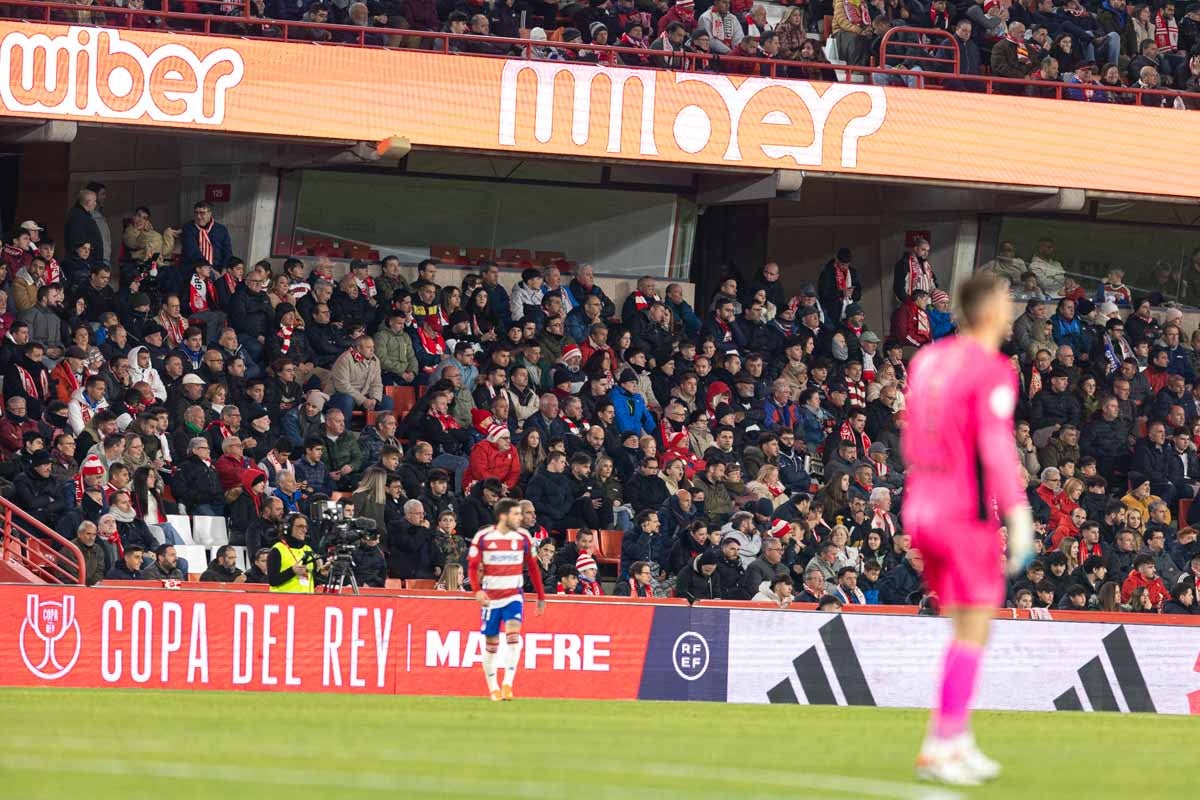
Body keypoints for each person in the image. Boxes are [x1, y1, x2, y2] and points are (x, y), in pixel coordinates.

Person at [902, 273, 1034, 785]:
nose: (1010, 312)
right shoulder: (993, 368)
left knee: (961, 626)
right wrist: (1018, 514)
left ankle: (955, 739)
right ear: (989, 311)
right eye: (1006, 304)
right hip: (964, 513)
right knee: (975, 627)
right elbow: (995, 445)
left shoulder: (928, 359)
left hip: (921, 506)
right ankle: (943, 741)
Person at [467, 498, 546, 701]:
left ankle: (508, 684)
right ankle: (493, 687)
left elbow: (533, 566)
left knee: (513, 637)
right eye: (516, 514)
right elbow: (473, 566)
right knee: (491, 643)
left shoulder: (523, 537)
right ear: (503, 516)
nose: (520, 518)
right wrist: (477, 590)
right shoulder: (484, 537)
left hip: (513, 595)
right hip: (491, 598)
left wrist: (540, 596)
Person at [268, 513, 326, 593]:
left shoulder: (307, 549)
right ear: (288, 528)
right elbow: (272, 580)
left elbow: (312, 582)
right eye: (300, 526)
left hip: (306, 602)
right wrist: (292, 571)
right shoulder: (278, 549)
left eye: (305, 527)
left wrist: (322, 574)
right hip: (284, 602)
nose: (305, 530)